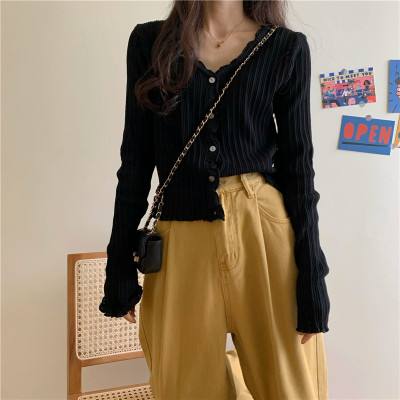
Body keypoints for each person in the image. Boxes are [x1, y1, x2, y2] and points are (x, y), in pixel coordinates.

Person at [99, 1, 331, 399]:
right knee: (183, 389)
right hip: (181, 239)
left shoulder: (285, 48)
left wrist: (312, 276)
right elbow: (135, 161)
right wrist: (119, 265)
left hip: (264, 234)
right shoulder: (149, 43)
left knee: (291, 389)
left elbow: (299, 168)